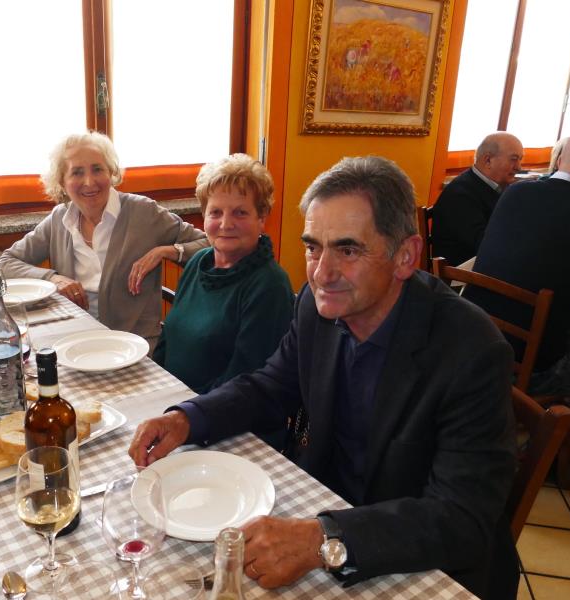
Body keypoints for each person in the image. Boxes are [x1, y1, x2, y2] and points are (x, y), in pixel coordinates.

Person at [130, 156, 518, 599]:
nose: (322, 273)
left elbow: (461, 517)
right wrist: (187, 418)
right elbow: (271, 385)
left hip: (422, 561)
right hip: (326, 508)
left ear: (405, 256)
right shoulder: (317, 309)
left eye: (348, 250)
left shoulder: (471, 350)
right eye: (314, 248)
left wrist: (324, 538)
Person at [466, 128, 570, 410]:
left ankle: (552, 427)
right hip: (533, 364)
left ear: (560, 160)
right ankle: (556, 433)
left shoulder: (515, 192)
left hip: (476, 338)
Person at [0, 131, 207, 350]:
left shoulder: (143, 212)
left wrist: (166, 251)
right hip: (73, 340)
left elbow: (209, 244)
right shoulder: (59, 219)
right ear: (62, 181)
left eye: (97, 169)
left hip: (133, 345)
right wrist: (52, 278)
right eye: (77, 172)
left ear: (111, 172)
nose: (89, 182)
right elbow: (5, 262)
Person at [153, 154, 294, 395]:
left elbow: (245, 381)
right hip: (172, 399)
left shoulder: (269, 286)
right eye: (215, 212)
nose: (226, 224)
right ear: (204, 216)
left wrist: (185, 409)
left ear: (261, 218)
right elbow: (169, 337)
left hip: (221, 412)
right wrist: (155, 387)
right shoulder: (198, 262)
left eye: (240, 213)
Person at [431, 132, 524, 265]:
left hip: (487, 263)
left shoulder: (497, 187)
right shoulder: (460, 195)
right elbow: (485, 244)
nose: (519, 167)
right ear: (488, 160)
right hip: (462, 273)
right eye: (513, 159)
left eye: (520, 159)